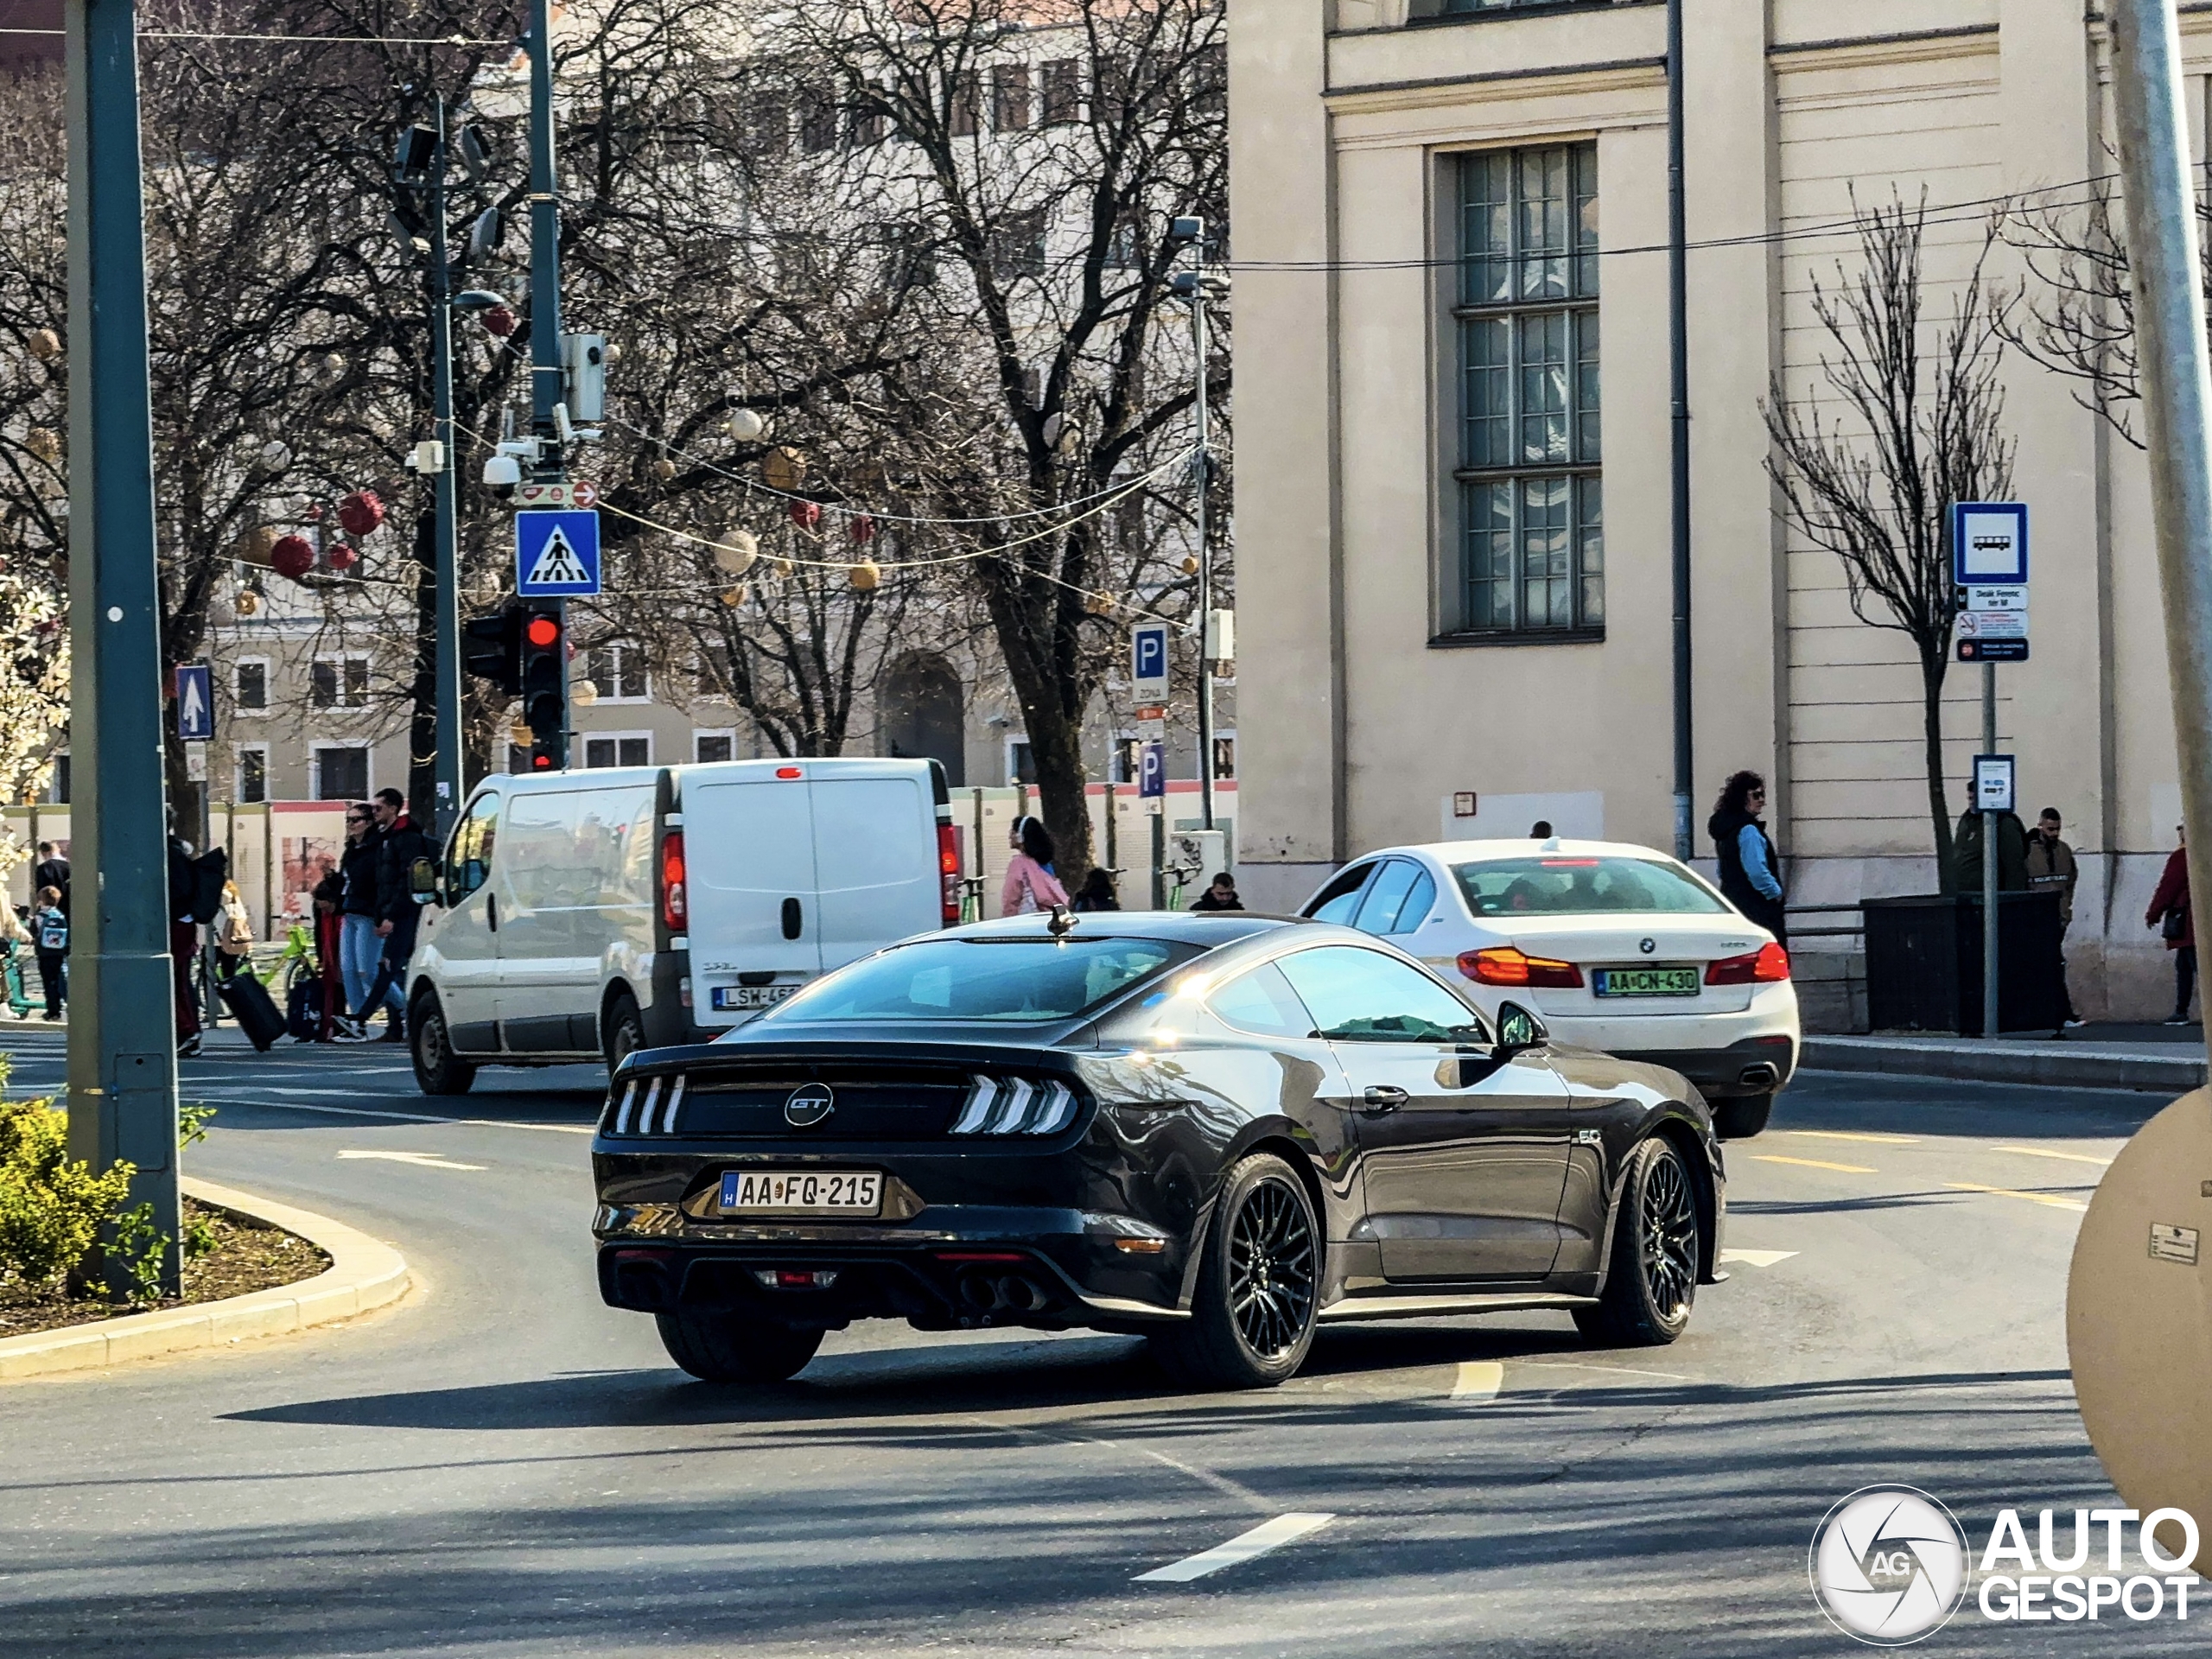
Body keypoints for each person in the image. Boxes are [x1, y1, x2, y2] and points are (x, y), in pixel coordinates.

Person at [346, 788, 430, 1041]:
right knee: (387, 969)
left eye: (378, 808)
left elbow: (403, 882)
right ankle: (381, 1020)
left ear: (394, 808)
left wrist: (390, 916)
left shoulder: (406, 838)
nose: (374, 813)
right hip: (390, 913)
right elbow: (385, 881)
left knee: (386, 968)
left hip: (404, 914)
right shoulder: (387, 837)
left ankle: (364, 1018)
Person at [333, 803, 393, 1035]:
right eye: (348, 820)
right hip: (349, 913)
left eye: (355, 820)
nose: (350, 825)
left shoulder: (375, 849)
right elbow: (346, 883)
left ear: (368, 823)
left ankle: (404, 1007)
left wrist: (382, 914)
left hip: (368, 914)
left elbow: (377, 884)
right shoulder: (351, 849)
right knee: (348, 972)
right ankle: (358, 1023)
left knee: (368, 972)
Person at [1709, 771, 1787, 943]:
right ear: (1742, 798)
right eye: (1756, 795)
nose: (1762, 801)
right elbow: (1757, 871)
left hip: (1735, 902)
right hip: (1757, 907)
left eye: (1762, 795)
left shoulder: (1727, 830)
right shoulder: (1748, 830)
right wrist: (1775, 893)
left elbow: (1723, 869)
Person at [2026, 808, 2084, 1032]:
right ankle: (2059, 1014)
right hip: (2034, 919)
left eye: (2057, 829)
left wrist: (2065, 910)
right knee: (2049, 967)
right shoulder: (2029, 852)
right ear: (2040, 825)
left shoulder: (2063, 851)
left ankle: (2060, 1014)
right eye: (2050, 829)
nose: (2054, 833)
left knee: (2053, 966)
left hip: (2057, 918)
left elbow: (2070, 881)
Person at [2146, 824, 2196, 1027]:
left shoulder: (2182, 856)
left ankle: (2181, 1011)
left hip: (2189, 921)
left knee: (2191, 964)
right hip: (2195, 920)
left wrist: (2153, 913)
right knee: (2184, 965)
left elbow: (2168, 887)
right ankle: (2180, 1009)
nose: (2179, 831)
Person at [167, 830, 203, 1057]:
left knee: (176, 979)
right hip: (181, 921)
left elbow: (179, 890)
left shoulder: (170, 852)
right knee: (177, 979)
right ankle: (186, 1030)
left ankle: (188, 1030)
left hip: (177, 922)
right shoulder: (176, 850)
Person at [1000, 815, 1068, 916]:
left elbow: (1010, 900)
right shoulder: (1046, 865)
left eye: (1013, 832)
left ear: (1020, 837)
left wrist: (1007, 921)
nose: (1010, 836)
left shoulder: (1018, 864)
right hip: (1049, 920)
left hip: (1027, 923)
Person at [30, 884, 67, 1021]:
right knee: (58, 979)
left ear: (42, 900)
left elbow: (33, 932)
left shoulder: (39, 916)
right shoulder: (60, 915)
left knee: (48, 982)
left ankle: (52, 1011)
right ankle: (61, 1006)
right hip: (58, 953)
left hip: (44, 954)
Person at [33, 840, 68, 916]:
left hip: (51, 910)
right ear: (58, 850)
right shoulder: (70, 867)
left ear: (43, 853)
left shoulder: (43, 868)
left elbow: (41, 891)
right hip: (69, 907)